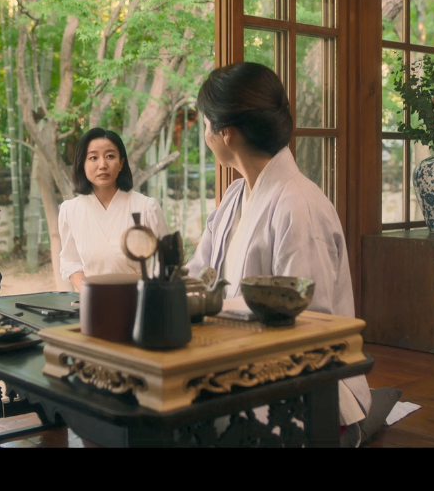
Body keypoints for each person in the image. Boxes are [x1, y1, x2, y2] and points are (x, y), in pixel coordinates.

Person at [184, 62, 375, 442]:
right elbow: (199, 274)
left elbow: (310, 324)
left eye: (205, 124)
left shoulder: (298, 204)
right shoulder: (236, 195)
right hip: (239, 365)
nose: (204, 135)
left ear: (226, 133)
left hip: (303, 389)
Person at [58, 128, 169, 290]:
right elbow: (70, 261)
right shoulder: (70, 210)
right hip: (92, 299)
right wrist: (90, 293)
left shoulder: (146, 208)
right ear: (82, 164)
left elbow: (166, 262)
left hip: (140, 298)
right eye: (93, 157)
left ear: (121, 163)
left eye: (110, 156)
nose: (102, 165)